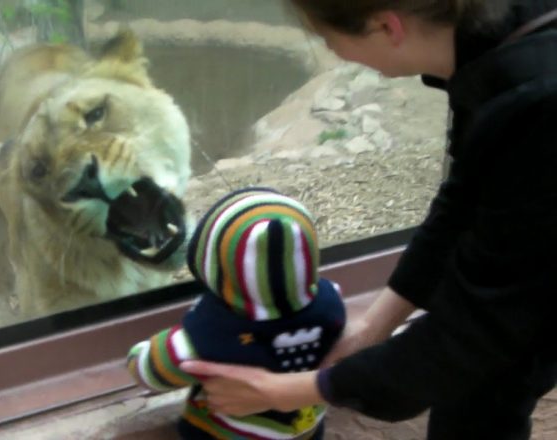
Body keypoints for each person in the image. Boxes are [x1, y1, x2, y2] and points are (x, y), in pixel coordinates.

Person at [179, 1, 557, 439]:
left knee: (491, 374)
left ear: (385, 26)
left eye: (327, 39)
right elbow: (464, 200)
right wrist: (374, 327)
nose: (332, 53)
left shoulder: (537, 108)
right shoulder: (492, 41)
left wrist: (290, 391)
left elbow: (481, 332)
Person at [127, 188, 346, 439]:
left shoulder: (210, 333)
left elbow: (150, 370)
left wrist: (138, 356)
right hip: (305, 425)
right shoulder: (331, 300)